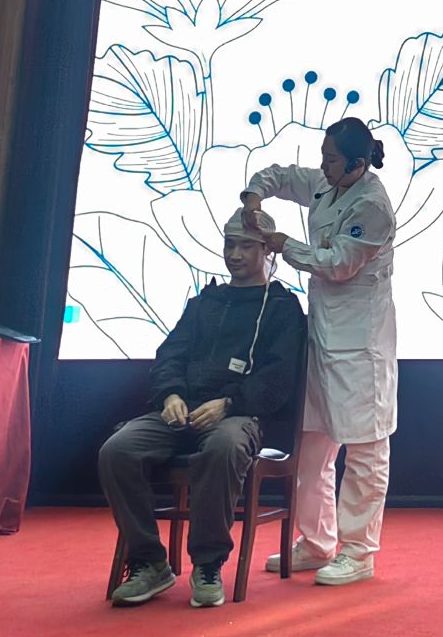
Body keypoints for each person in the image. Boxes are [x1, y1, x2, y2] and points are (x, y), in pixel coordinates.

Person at [101, 206, 306, 608]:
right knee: (117, 450)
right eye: (230, 244)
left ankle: (208, 564)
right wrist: (170, 395)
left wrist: (229, 403)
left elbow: (279, 377)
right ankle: (148, 561)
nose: (234, 254)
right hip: (181, 409)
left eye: (246, 246)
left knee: (224, 447)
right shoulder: (203, 303)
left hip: (240, 414)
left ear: (267, 251)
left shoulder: (282, 308)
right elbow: (170, 355)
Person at [241, 116, 398, 589]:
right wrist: (254, 196)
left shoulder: (372, 205)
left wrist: (282, 244)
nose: (323, 166)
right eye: (323, 157)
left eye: (331, 160)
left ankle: (358, 551)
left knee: (365, 449)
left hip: (361, 344)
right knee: (312, 446)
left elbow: (338, 264)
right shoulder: (327, 182)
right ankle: (316, 540)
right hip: (322, 337)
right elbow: (282, 175)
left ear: (357, 163)